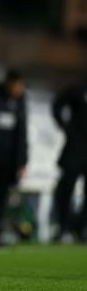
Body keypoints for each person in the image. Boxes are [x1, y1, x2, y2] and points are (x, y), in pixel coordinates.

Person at [51, 78, 87, 242]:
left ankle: (81, 228)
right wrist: (65, 127)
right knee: (65, 189)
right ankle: (63, 226)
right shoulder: (79, 90)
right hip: (75, 149)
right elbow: (57, 104)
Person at [0, 69, 28, 237]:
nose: (17, 89)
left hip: (10, 159)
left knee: (3, 194)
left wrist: (22, 160)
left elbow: (22, 133)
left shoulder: (20, 101)